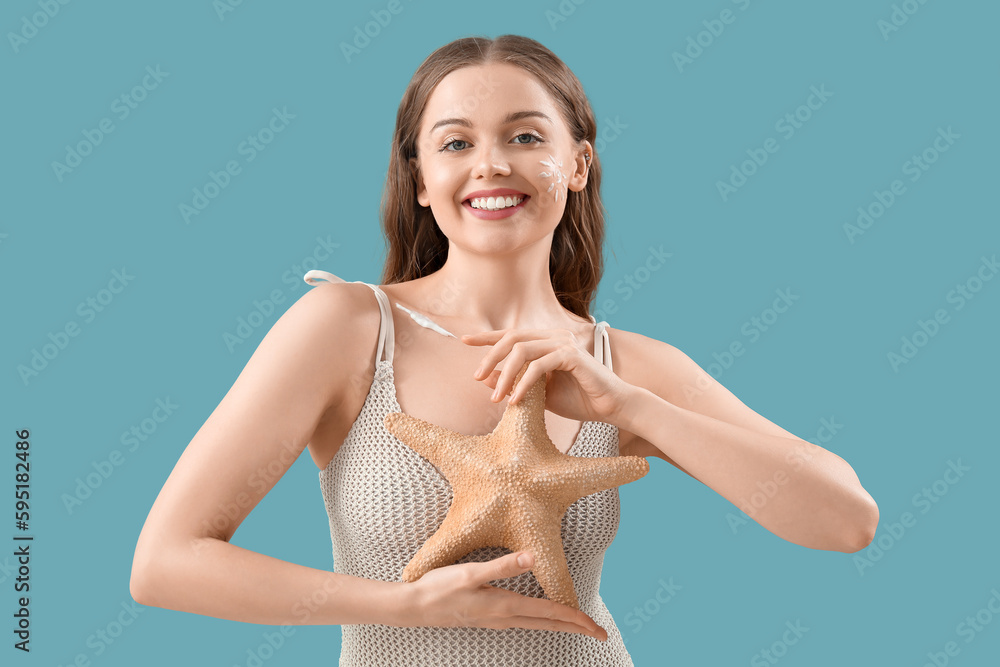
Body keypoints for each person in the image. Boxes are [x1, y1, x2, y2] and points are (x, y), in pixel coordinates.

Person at [130, 34, 879, 666]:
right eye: (456, 142)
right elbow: (165, 561)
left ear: (578, 165)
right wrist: (405, 605)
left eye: (526, 136)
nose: (490, 164)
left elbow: (846, 519)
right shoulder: (349, 327)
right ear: (422, 179)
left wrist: (632, 407)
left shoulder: (624, 366)